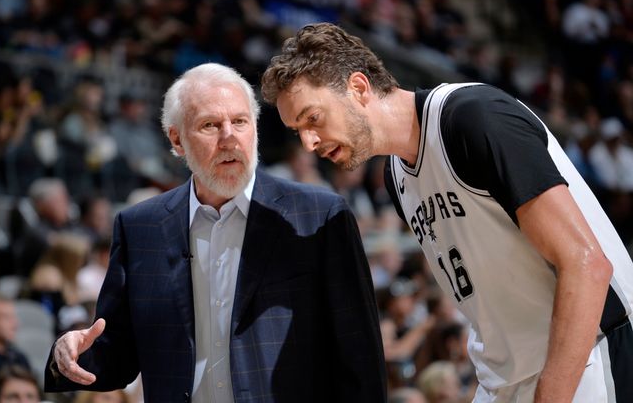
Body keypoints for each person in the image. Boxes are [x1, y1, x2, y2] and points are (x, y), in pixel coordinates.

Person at [261, 22, 633, 402]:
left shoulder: (473, 119)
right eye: (297, 131)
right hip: (504, 382)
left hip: (586, 359)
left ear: (358, 88)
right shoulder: (397, 175)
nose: (308, 142)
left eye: (313, 119)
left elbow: (587, 265)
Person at [44, 62, 387, 402]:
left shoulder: (319, 215)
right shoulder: (140, 228)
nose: (229, 138)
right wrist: (69, 353)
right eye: (210, 125)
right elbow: (116, 356)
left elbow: (359, 355)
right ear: (177, 140)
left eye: (240, 122)